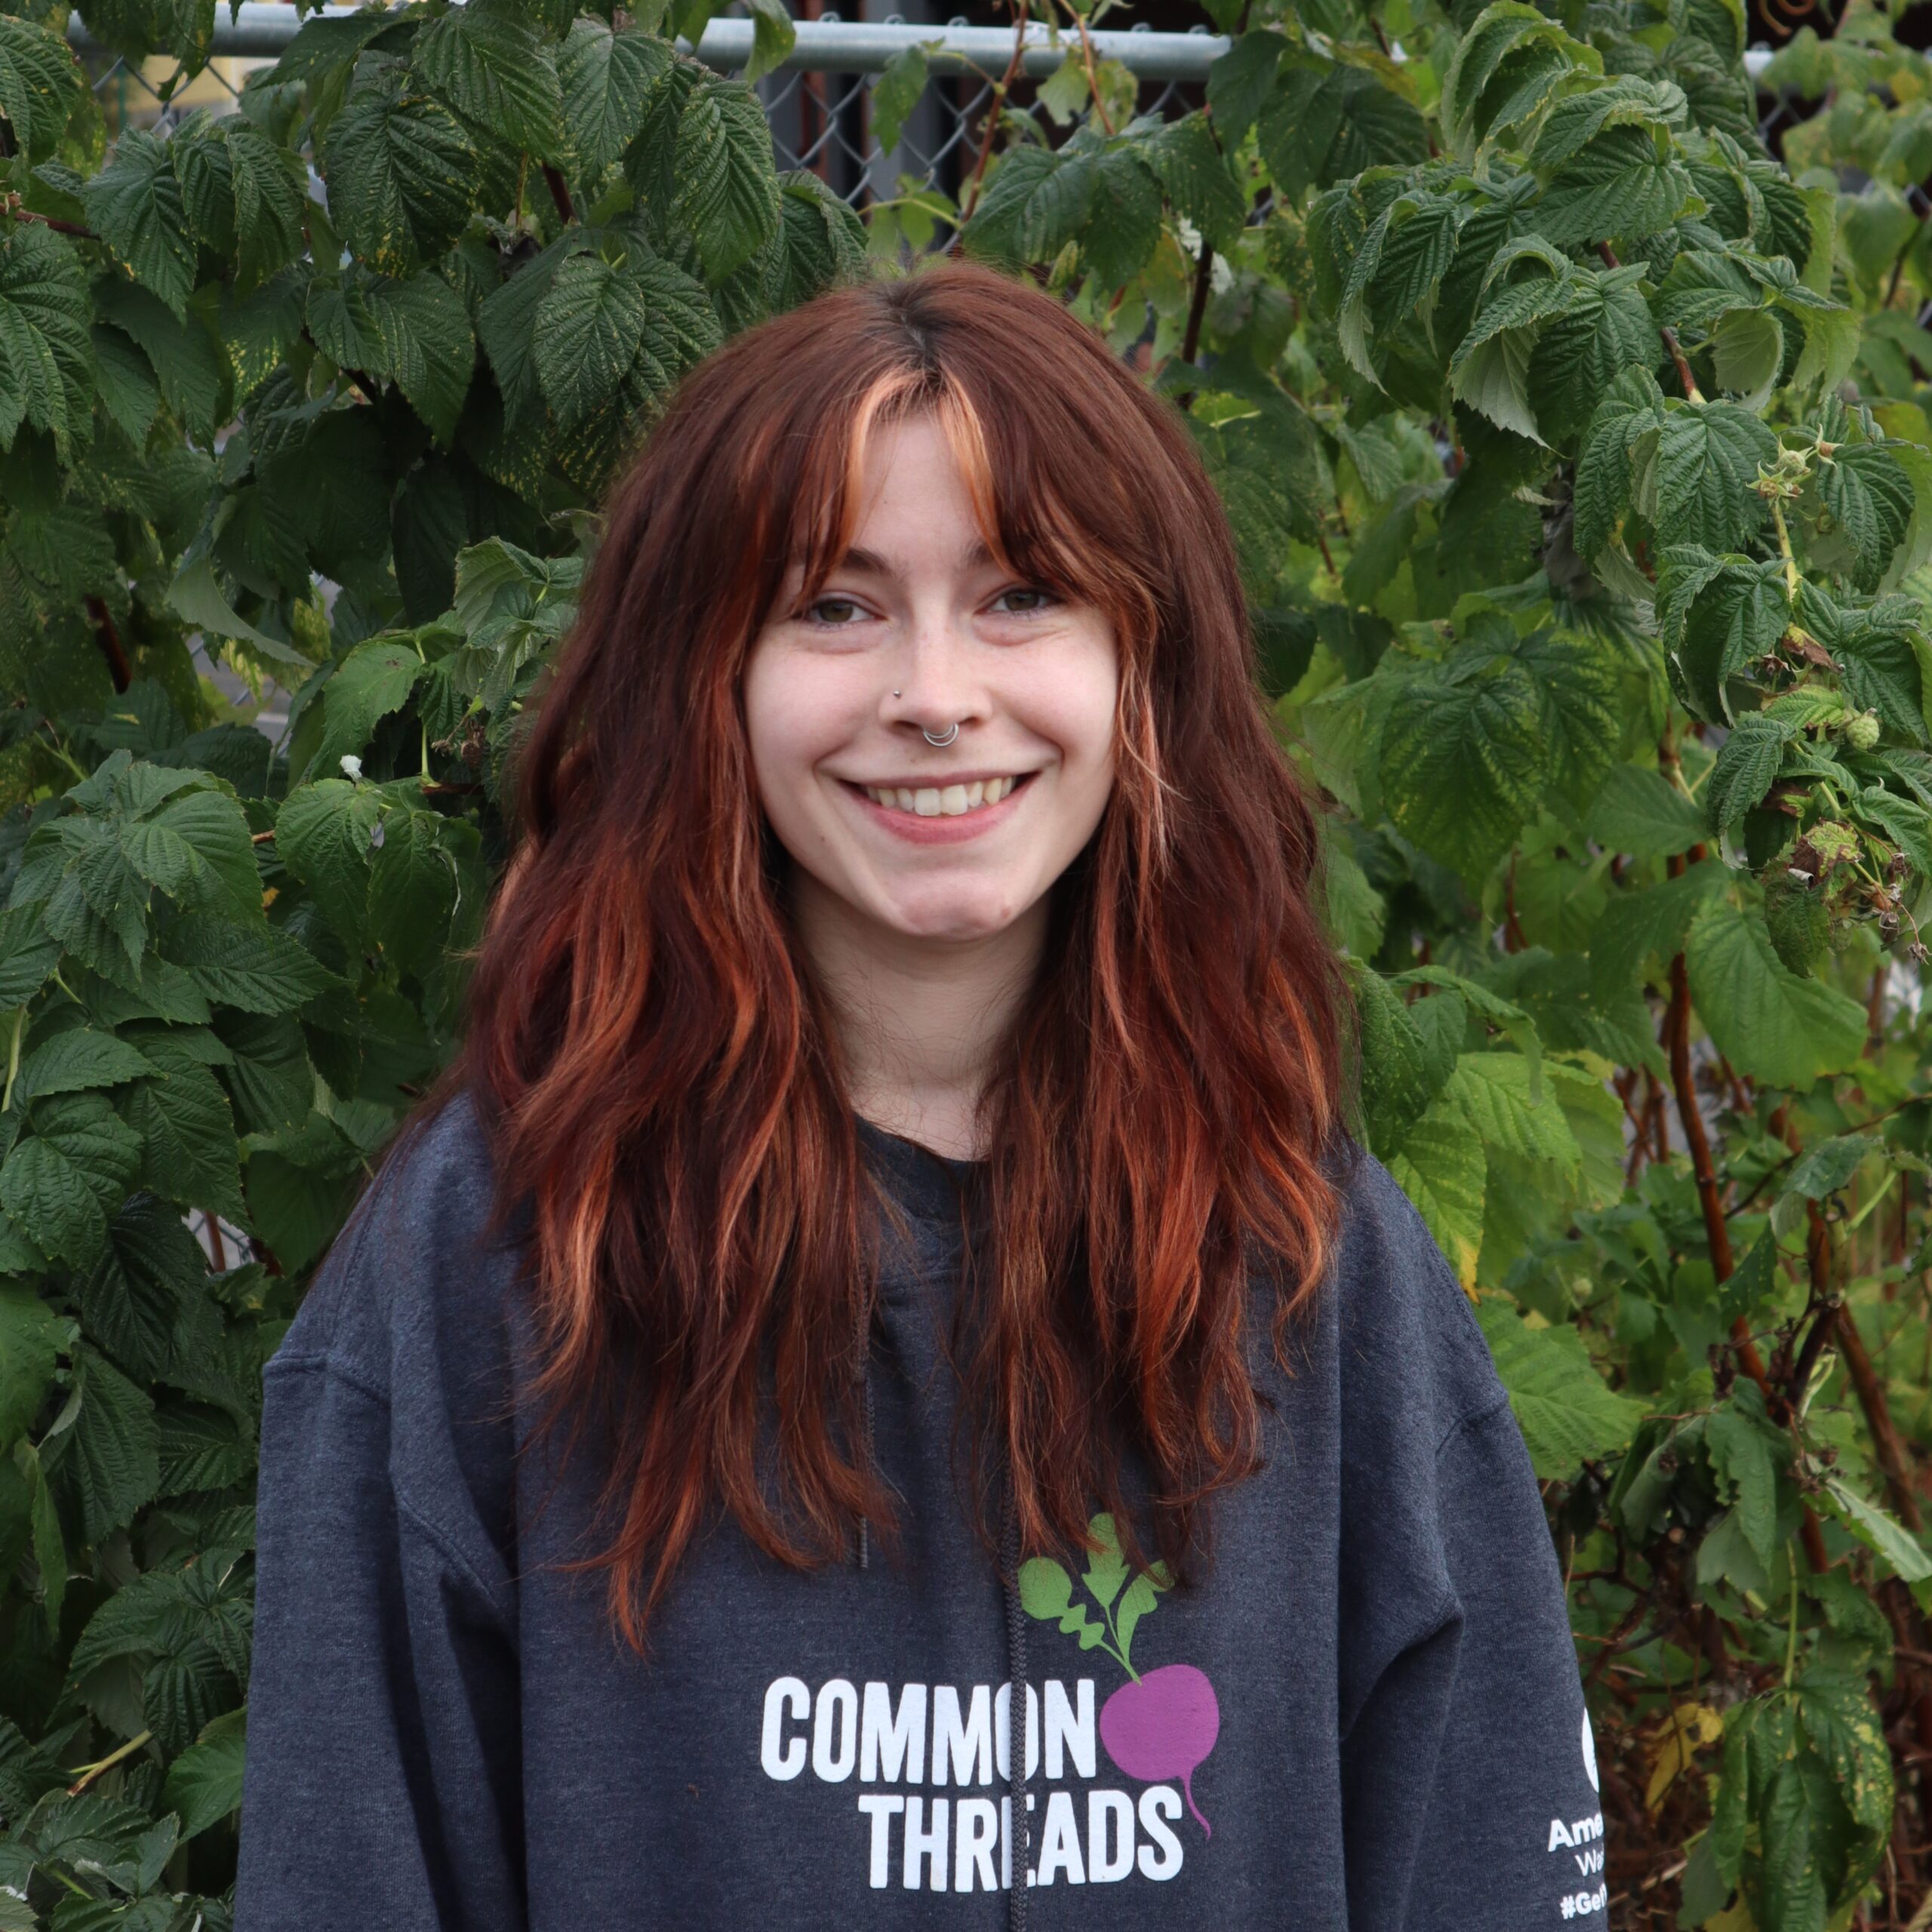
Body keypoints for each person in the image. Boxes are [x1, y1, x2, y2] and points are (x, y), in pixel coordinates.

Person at [233, 260, 1604, 1930]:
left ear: (1142, 669)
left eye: (1021, 591)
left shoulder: (1310, 1261)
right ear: (702, 682)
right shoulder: (499, 1263)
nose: (933, 692)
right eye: (833, 603)